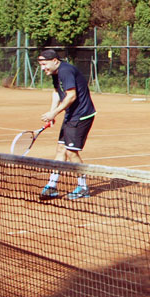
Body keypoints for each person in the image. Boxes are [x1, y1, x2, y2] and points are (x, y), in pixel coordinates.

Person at [36, 47, 97, 198]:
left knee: (71, 151)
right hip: (71, 115)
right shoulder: (55, 73)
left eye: (44, 64)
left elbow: (71, 96)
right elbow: (57, 92)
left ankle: (83, 187)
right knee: (60, 149)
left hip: (81, 116)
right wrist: (52, 112)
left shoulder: (65, 71)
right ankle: (52, 186)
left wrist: (54, 113)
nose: (42, 68)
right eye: (41, 65)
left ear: (55, 61)